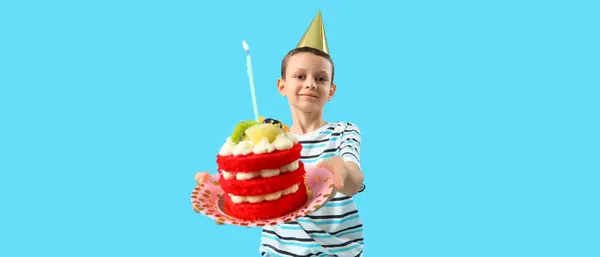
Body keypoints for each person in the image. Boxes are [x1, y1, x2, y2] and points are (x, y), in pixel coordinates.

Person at [195, 11, 365, 257]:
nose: (310, 83)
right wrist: (227, 199)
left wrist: (342, 171)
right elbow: (255, 187)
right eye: (299, 76)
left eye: (321, 78)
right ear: (282, 86)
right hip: (278, 250)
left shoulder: (342, 131)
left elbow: (354, 179)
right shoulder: (272, 139)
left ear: (331, 90)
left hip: (336, 251)